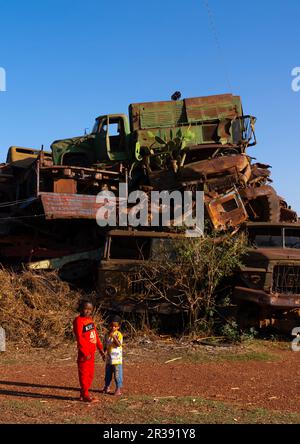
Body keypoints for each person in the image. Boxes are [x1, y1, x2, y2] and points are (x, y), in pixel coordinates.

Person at [73, 299, 105, 403]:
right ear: (81, 309)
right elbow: (79, 338)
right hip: (85, 354)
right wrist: (85, 352)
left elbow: (95, 336)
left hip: (92, 353)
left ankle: (83, 394)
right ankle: (85, 394)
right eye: (85, 309)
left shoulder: (90, 320)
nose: (87, 311)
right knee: (84, 374)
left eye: (90, 309)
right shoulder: (78, 321)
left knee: (90, 374)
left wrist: (101, 349)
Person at [102, 315, 123, 396]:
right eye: (111, 325)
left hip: (117, 359)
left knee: (117, 374)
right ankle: (107, 386)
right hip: (109, 358)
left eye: (115, 326)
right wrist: (103, 353)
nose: (113, 327)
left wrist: (113, 336)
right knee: (108, 373)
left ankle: (118, 388)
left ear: (118, 327)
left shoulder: (118, 334)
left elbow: (118, 344)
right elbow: (105, 344)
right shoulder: (107, 335)